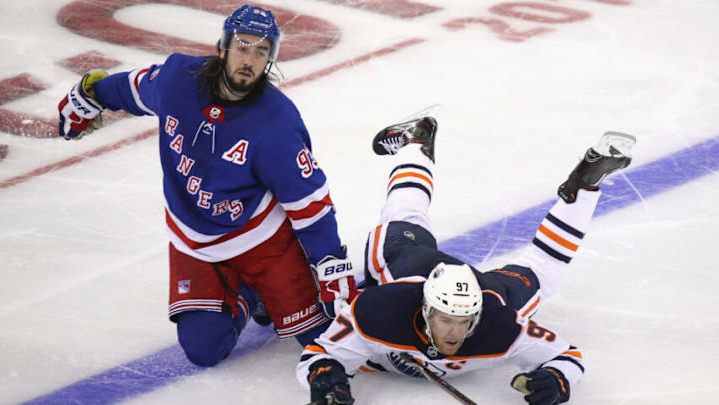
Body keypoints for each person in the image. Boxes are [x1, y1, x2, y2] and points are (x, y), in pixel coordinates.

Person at [56, 5, 358, 367]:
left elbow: (311, 206)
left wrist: (330, 266)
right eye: (243, 47)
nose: (250, 59)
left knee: (324, 338)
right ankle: (249, 293)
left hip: (266, 242)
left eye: (261, 52)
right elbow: (133, 89)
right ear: (223, 47)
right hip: (196, 242)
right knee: (203, 350)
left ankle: (271, 283)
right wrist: (91, 94)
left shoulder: (277, 122)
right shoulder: (178, 80)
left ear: (270, 59)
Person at [296, 115, 636, 404]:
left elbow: (567, 357)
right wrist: (326, 378)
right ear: (428, 310)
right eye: (446, 320)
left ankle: (585, 188)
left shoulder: (495, 322)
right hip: (404, 262)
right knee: (407, 216)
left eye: (464, 321)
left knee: (545, 271)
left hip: (483, 285)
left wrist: (557, 381)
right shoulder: (379, 311)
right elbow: (318, 356)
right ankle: (417, 140)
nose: (456, 332)